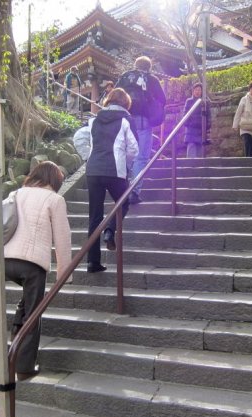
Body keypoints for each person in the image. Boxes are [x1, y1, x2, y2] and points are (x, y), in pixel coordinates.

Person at [0, 161, 72, 381]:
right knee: (34, 312)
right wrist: (63, 274)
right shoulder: (55, 200)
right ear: (55, 181)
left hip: (4, 260)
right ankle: (24, 366)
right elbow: (63, 239)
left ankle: (15, 340)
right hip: (31, 264)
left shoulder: (17, 193)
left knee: (27, 303)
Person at [86, 88, 139, 273]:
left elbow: (79, 138)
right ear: (126, 103)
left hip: (93, 171)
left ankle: (92, 262)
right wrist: (125, 163)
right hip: (115, 170)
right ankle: (110, 230)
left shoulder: (94, 119)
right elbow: (134, 148)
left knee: (94, 215)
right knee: (123, 202)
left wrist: (89, 157)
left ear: (108, 100)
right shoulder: (126, 120)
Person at [115, 56, 166, 204]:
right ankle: (134, 192)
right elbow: (162, 100)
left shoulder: (125, 76)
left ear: (135, 65)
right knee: (141, 157)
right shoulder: (152, 79)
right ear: (149, 67)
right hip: (143, 121)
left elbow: (115, 95)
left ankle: (120, 190)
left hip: (124, 120)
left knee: (124, 154)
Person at [183, 82, 211, 158]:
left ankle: (198, 169)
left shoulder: (205, 102)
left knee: (200, 154)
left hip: (201, 131)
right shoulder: (189, 101)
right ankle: (190, 169)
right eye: (196, 90)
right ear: (193, 91)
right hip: (191, 131)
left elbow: (209, 116)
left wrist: (207, 126)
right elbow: (185, 116)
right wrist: (190, 124)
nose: (197, 92)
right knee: (191, 153)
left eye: (199, 90)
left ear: (202, 92)